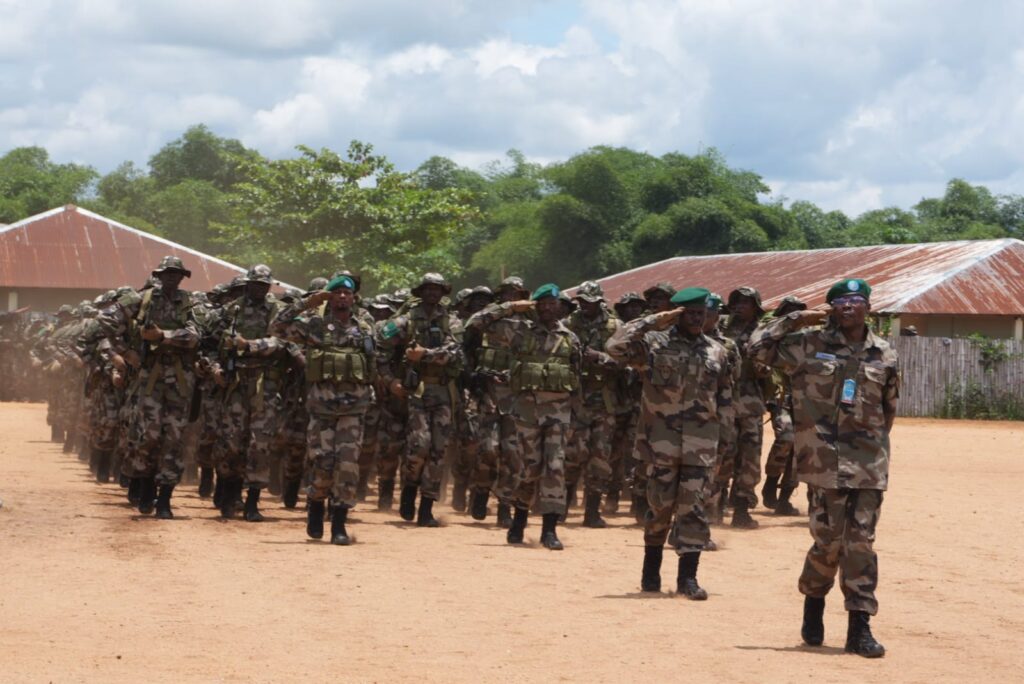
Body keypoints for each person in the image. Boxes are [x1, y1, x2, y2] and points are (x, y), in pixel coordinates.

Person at [748, 278, 897, 658]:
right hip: (821, 461)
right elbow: (757, 348)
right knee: (828, 543)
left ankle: (859, 627)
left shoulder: (885, 353)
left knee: (860, 543)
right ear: (830, 309)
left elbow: (889, 409)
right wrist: (795, 319)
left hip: (868, 463)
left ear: (867, 307)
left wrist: (871, 445)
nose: (849, 306)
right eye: (840, 301)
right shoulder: (806, 345)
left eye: (856, 300)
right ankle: (813, 605)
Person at [607, 287, 733, 598]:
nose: (695, 319)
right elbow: (614, 346)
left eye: (700, 314)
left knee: (694, 509)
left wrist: (726, 439)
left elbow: (726, 397)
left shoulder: (717, 351)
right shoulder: (653, 345)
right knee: (659, 507)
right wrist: (653, 321)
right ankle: (651, 571)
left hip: (701, 444)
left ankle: (687, 578)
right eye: (689, 313)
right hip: (660, 442)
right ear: (677, 314)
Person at [466, 283, 581, 549]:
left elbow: (576, 381)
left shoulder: (570, 338)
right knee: (530, 469)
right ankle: (519, 518)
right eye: (544, 304)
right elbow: (474, 324)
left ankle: (549, 530)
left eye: (554, 304)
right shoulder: (518, 332)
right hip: (526, 413)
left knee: (554, 466)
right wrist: (509, 306)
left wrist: (576, 415)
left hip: (558, 413)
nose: (550, 308)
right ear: (535, 307)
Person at [273, 274, 376, 544]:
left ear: (354, 297)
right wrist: (308, 303)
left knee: (348, 465)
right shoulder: (315, 325)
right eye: (337, 292)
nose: (343, 296)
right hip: (322, 409)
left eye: (347, 293)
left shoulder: (365, 325)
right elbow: (277, 327)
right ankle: (315, 506)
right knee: (322, 463)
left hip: (354, 409)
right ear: (329, 296)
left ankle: (339, 524)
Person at [94, 256, 200, 519]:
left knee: (174, 439)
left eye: (177, 274)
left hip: (179, 381)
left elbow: (196, 335)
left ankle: (165, 497)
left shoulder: (189, 302)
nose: (172, 278)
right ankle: (144, 486)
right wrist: (125, 351)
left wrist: (163, 336)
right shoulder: (140, 300)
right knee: (147, 436)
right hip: (148, 379)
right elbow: (104, 321)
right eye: (168, 273)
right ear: (159, 275)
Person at [376, 273, 463, 527]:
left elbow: (455, 353)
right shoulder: (404, 321)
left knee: (439, 450)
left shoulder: (452, 321)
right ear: (421, 292)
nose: (433, 293)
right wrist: (391, 382)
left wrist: (425, 354)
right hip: (416, 392)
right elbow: (381, 352)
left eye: (437, 289)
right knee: (419, 445)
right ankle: (409, 491)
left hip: (444, 391)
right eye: (428, 289)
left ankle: (426, 507)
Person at [565, 281, 621, 527]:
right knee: (572, 454)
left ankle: (592, 511)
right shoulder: (568, 325)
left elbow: (628, 360)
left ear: (600, 301)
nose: (585, 305)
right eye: (582, 301)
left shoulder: (616, 327)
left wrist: (600, 358)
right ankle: (562, 507)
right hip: (575, 399)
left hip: (604, 400)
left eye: (590, 301)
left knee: (600, 457)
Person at [721, 286, 769, 529]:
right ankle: (716, 505)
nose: (740, 306)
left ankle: (741, 509)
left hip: (750, 402)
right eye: (736, 302)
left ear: (755, 307)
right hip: (725, 402)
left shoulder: (764, 333)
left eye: (746, 303)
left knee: (749, 459)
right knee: (723, 455)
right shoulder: (721, 330)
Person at [761, 296, 808, 515]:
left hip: (805, 401)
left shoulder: (809, 339)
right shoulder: (770, 335)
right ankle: (771, 481)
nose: (794, 316)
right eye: (789, 311)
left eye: (798, 312)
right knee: (786, 438)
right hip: (780, 398)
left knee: (800, 450)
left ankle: (785, 497)